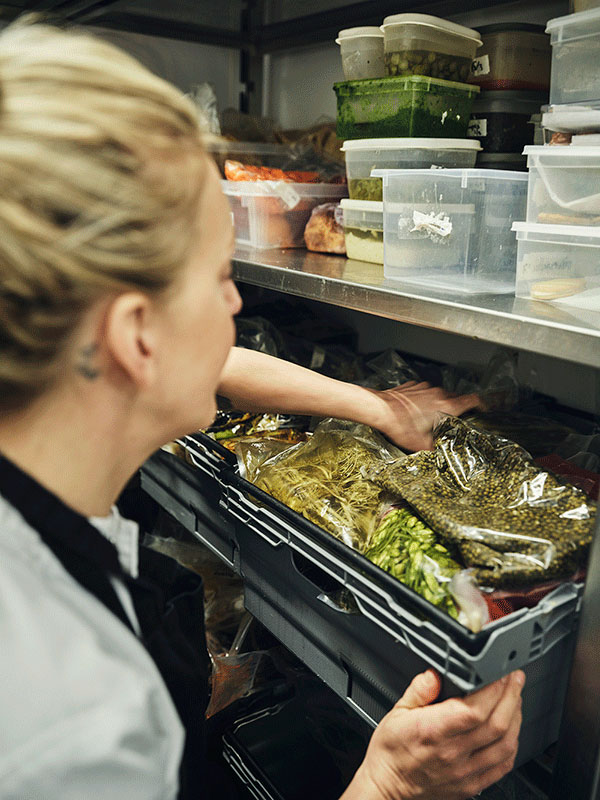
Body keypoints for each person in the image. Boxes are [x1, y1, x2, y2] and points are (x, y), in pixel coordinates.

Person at [0, 19, 524, 800]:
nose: (239, 303)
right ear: (134, 337)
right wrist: (389, 784)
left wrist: (379, 406)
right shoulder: (76, 724)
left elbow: (222, 362)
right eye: (219, 278)